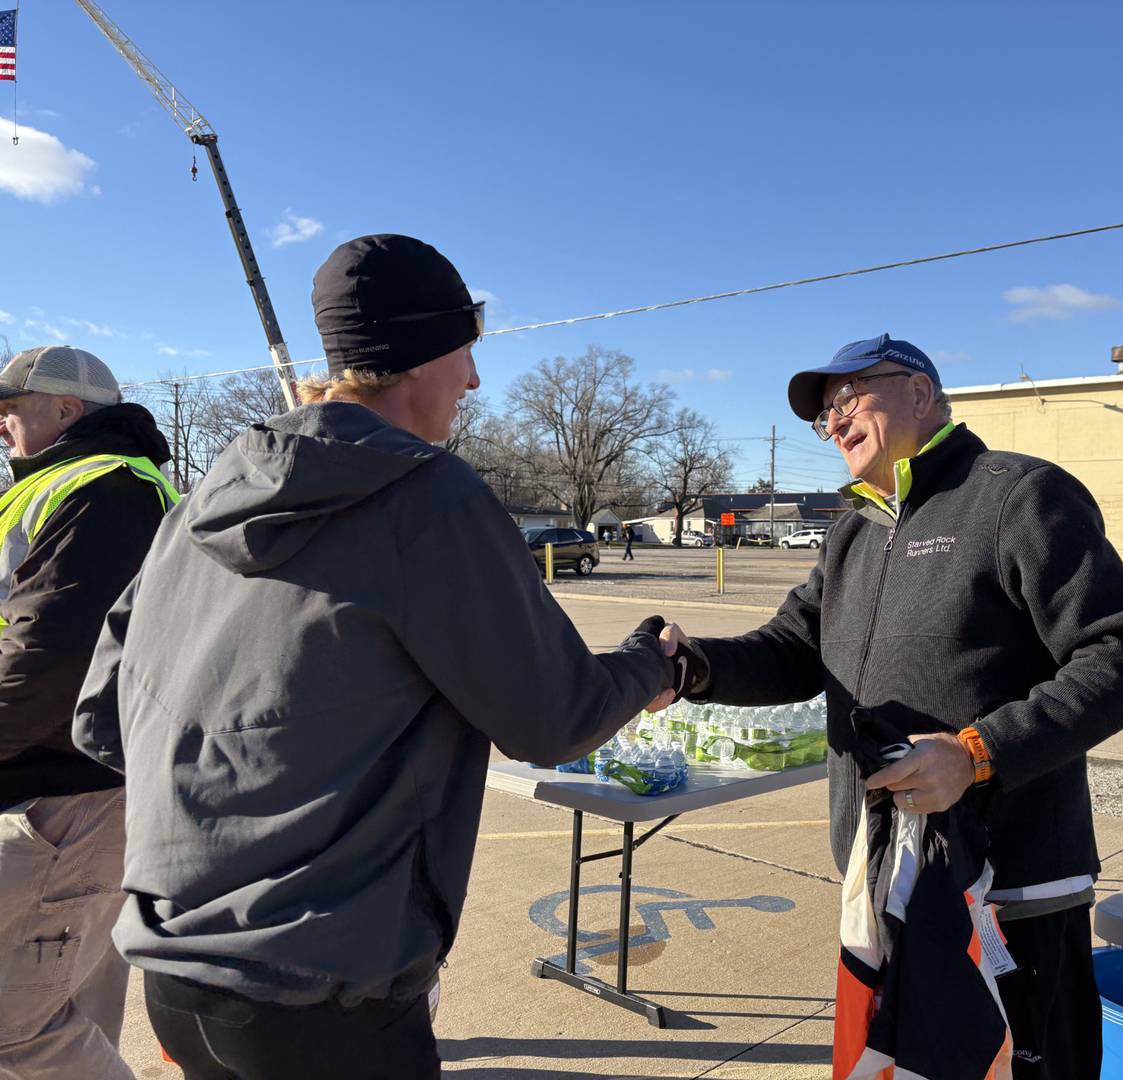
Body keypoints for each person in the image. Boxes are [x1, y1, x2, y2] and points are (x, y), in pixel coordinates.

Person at [73, 235, 673, 1080]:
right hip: (321, 997)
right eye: (466, 352)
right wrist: (654, 663)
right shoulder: (427, 495)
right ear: (423, 355)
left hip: (174, 973)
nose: (472, 380)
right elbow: (557, 716)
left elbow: (101, 721)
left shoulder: (198, 504)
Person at [650, 334, 1123, 1080]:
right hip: (889, 881)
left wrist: (976, 753)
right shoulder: (854, 530)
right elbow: (794, 649)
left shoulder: (1017, 495)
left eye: (847, 399)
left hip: (1009, 885)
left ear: (920, 394)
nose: (832, 422)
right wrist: (690, 665)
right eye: (823, 413)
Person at [0, 346, 179, 1080]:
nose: (0, 421)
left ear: (66, 409)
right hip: (80, 782)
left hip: (67, 789)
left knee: (18, 1031)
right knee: (73, 1003)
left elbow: (49, 655)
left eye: (9, 406)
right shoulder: (68, 485)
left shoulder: (107, 488)